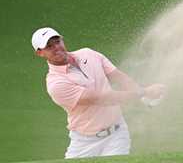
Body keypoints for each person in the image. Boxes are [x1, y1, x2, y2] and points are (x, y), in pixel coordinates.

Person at [31, 27, 164, 159]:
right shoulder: (56, 84)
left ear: (62, 40)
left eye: (57, 42)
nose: (56, 47)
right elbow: (103, 98)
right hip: (84, 143)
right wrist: (144, 92)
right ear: (40, 53)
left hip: (117, 135)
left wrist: (142, 95)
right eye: (49, 46)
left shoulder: (88, 54)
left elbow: (118, 77)